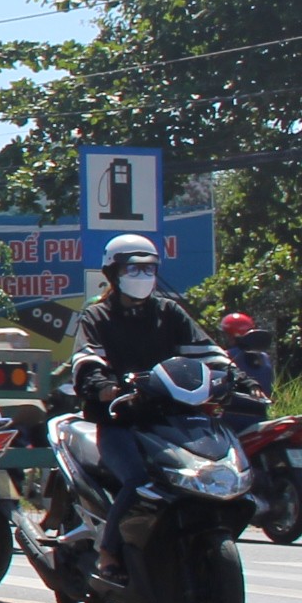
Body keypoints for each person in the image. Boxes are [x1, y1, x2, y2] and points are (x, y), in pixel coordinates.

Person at [67, 232, 210, 579]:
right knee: (137, 479)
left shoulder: (169, 312)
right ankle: (108, 553)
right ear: (114, 272)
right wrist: (102, 386)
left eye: (149, 269)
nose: (143, 276)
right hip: (119, 420)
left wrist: (239, 380)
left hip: (168, 418)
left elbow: (206, 351)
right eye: (134, 269)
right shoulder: (97, 316)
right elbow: (86, 361)